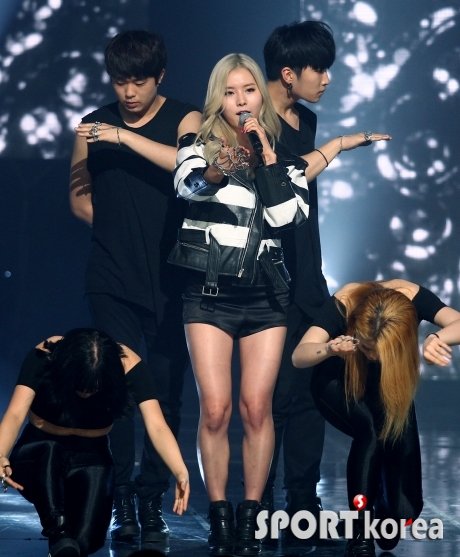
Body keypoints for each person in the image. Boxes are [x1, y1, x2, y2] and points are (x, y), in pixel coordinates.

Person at [168, 53, 310, 556]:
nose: (240, 101)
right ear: (217, 99)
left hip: (266, 296)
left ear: (261, 96)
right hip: (209, 295)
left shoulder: (284, 157)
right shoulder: (197, 146)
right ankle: (220, 515)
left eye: (248, 90)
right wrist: (214, 171)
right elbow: (186, 188)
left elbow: (288, 217)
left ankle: (251, 515)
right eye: (229, 93)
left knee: (255, 408)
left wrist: (267, 156)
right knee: (215, 409)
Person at [69, 30, 201, 545]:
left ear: (159, 77)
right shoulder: (92, 125)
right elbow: (79, 198)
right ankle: (123, 497)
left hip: (173, 276)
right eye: (120, 81)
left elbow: (189, 168)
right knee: (119, 389)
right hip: (111, 277)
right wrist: (116, 235)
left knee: (166, 392)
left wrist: (123, 138)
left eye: (139, 81)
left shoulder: (186, 119)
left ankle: (152, 496)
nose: (128, 92)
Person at [261, 20, 392, 532]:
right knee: (270, 399)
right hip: (263, 276)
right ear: (288, 72)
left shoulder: (306, 120)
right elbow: (286, 177)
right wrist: (338, 145)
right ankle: (257, 505)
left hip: (307, 274)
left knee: (310, 390)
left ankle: (302, 503)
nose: (327, 79)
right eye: (320, 68)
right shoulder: (251, 120)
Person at [291, 279, 460, 556]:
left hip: (385, 388)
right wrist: (331, 349)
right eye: (367, 348)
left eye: (378, 351)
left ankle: (377, 510)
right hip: (338, 381)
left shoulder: (411, 296)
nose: (371, 356)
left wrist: (437, 338)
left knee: (404, 511)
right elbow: (300, 355)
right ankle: (360, 533)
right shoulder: (346, 302)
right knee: (369, 431)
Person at [0, 328, 189, 557]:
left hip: (91, 455)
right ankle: (58, 532)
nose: (87, 392)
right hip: (39, 452)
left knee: (85, 541)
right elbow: (15, 414)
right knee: (61, 526)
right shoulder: (48, 354)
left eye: (94, 386)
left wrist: (180, 471)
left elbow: (157, 425)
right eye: (81, 385)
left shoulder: (128, 365)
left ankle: (64, 545)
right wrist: (1, 454)